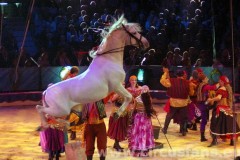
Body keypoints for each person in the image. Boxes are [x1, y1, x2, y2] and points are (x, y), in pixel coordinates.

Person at [206, 75, 240, 147]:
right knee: (228, 125)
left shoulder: (221, 89)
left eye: (220, 80)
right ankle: (232, 141)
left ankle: (214, 141)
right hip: (227, 109)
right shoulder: (228, 89)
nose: (218, 81)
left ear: (222, 82)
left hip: (220, 109)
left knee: (215, 124)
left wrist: (211, 99)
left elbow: (218, 98)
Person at [160, 68, 190, 136]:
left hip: (174, 102)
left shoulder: (171, 81)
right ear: (183, 75)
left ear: (177, 75)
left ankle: (165, 129)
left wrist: (165, 73)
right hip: (184, 103)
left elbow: (162, 81)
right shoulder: (188, 82)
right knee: (183, 117)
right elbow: (190, 92)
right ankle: (183, 131)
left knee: (169, 116)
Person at [82, 94, 112, 160]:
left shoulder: (100, 99)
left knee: (102, 145)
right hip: (89, 126)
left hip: (100, 125)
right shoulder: (85, 101)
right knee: (89, 146)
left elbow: (110, 94)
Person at [128, 85, 156, 157]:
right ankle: (145, 149)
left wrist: (131, 117)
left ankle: (138, 149)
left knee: (138, 133)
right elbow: (151, 108)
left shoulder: (137, 98)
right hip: (146, 118)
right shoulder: (149, 99)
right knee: (146, 133)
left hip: (138, 118)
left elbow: (134, 109)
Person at [195, 68, 219, 142]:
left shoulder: (199, 84)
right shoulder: (204, 86)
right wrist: (220, 82)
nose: (208, 80)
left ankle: (202, 135)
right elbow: (213, 87)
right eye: (206, 79)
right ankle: (202, 137)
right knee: (204, 120)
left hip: (201, 103)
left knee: (204, 118)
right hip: (203, 104)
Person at [62, 66, 81, 140]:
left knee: (70, 116)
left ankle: (71, 130)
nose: (76, 75)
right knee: (73, 116)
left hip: (71, 99)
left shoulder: (70, 78)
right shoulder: (69, 79)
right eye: (75, 73)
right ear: (73, 73)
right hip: (70, 100)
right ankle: (72, 132)